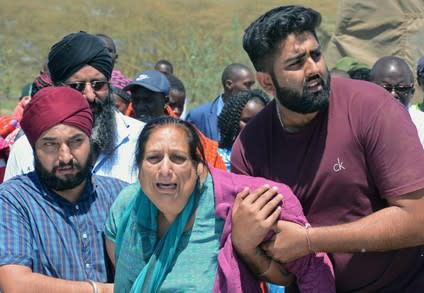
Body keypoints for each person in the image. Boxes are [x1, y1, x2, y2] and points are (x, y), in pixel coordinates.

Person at [231, 5, 424, 292]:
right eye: (296, 63)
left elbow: (420, 220)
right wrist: (246, 244)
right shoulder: (251, 147)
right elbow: (276, 265)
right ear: (267, 82)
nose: (314, 69)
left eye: (316, 55)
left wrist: (309, 240)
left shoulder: (372, 108)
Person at [103, 116, 334, 292]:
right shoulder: (126, 208)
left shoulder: (244, 205)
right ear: (139, 169)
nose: (165, 170)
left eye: (178, 158)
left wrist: (246, 248)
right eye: (153, 158)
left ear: (199, 168)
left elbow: (303, 270)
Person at [0, 87, 128, 292]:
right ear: (34, 149)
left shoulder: (121, 195)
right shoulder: (13, 200)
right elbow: (15, 285)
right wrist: (101, 290)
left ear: (90, 141)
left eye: (76, 141)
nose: (65, 156)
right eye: (50, 145)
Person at [4, 31, 144, 183]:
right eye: (77, 86)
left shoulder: (142, 139)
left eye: (98, 85)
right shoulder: (26, 149)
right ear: (57, 88)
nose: (90, 95)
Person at [370, 55, 424, 293]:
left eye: (402, 89)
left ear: (412, 91)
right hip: (370, 253)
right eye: (386, 88)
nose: (394, 94)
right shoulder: (357, 128)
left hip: (422, 254)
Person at [186, 63, 255, 141]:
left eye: (252, 85)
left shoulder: (254, 115)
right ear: (229, 84)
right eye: (247, 85)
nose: (251, 90)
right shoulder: (198, 116)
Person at [217, 89, 269, 170]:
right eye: (247, 121)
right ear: (233, 122)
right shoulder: (217, 160)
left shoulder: (273, 159)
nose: (254, 126)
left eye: (260, 121)